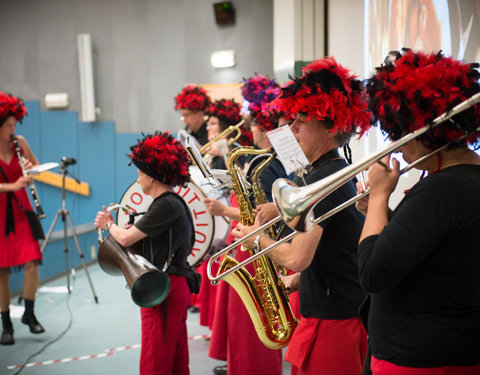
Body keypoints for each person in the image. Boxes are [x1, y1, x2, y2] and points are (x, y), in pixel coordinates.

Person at [233, 57, 371, 375]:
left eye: (301, 119)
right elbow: (333, 247)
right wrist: (299, 281)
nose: (290, 129)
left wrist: (258, 238)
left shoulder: (326, 179)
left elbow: (297, 256)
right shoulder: (325, 172)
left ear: (332, 127)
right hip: (331, 313)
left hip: (335, 324)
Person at [357, 49, 480, 375]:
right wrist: (379, 211)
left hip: (418, 359)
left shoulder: (443, 189)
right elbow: (435, 246)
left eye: (398, 134)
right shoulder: (465, 181)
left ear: (427, 133)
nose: (397, 147)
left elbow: (372, 273)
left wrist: (380, 196)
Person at [95, 132, 194, 375]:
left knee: (156, 359)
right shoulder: (171, 202)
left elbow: (126, 238)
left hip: (164, 289)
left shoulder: (165, 204)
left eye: (140, 174)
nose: (138, 180)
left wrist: (109, 224)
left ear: (151, 175)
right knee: (175, 356)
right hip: (173, 286)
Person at [0, 91, 45, 346]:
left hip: (21, 210)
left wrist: (30, 169)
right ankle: (6, 325)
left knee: (32, 263)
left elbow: (36, 168)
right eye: (8, 125)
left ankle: (29, 313)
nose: (12, 129)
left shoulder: (20, 142)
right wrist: (13, 185)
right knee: (2, 271)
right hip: (0, 214)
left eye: (14, 124)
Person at [204, 98, 244, 170]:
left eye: (213, 124)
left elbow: (240, 176)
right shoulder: (213, 148)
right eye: (208, 124)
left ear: (225, 127)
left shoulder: (235, 149)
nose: (208, 128)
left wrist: (222, 153)